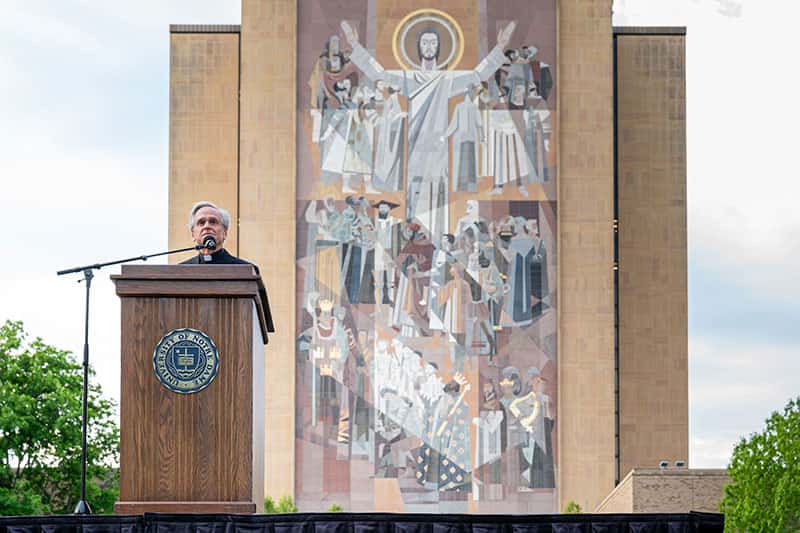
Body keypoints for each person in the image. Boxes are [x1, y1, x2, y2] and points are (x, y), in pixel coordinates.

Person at [181, 201, 258, 271]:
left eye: (213, 222)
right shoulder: (181, 271)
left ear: (225, 233)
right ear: (193, 234)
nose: (207, 226)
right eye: (201, 222)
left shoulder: (246, 269)